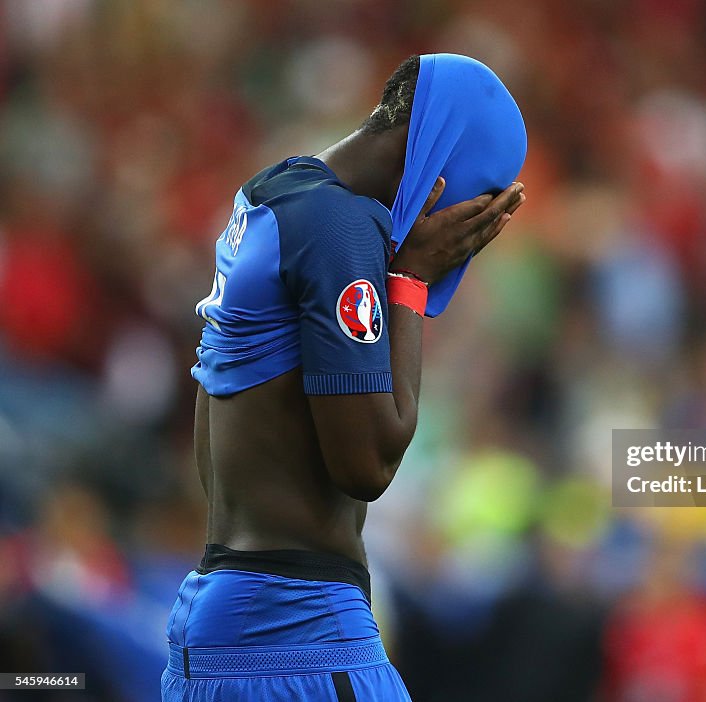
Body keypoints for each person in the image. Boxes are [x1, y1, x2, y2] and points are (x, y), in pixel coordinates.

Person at [160, 54, 527, 701]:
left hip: (226, 620)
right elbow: (367, 463)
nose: (470, 223)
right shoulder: (340, 227)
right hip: (295, 629)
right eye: (479, 196)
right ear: (438, 158)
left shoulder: (273, 192)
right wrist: (409, 282)